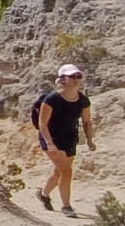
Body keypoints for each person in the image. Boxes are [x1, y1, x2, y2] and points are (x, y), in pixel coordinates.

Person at [34, 63, 96, 217]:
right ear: (62, 79)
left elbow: (87, 121)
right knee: (66, 171)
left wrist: (89, 139)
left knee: (59, 172)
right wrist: (49, 143)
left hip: (70, 138)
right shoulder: (51, 99)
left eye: (78, 76)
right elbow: (42, 123)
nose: (76, 79)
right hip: (52, 137)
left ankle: (43, 194)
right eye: (72, 76)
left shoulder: (83, 100)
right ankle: (66, 206)